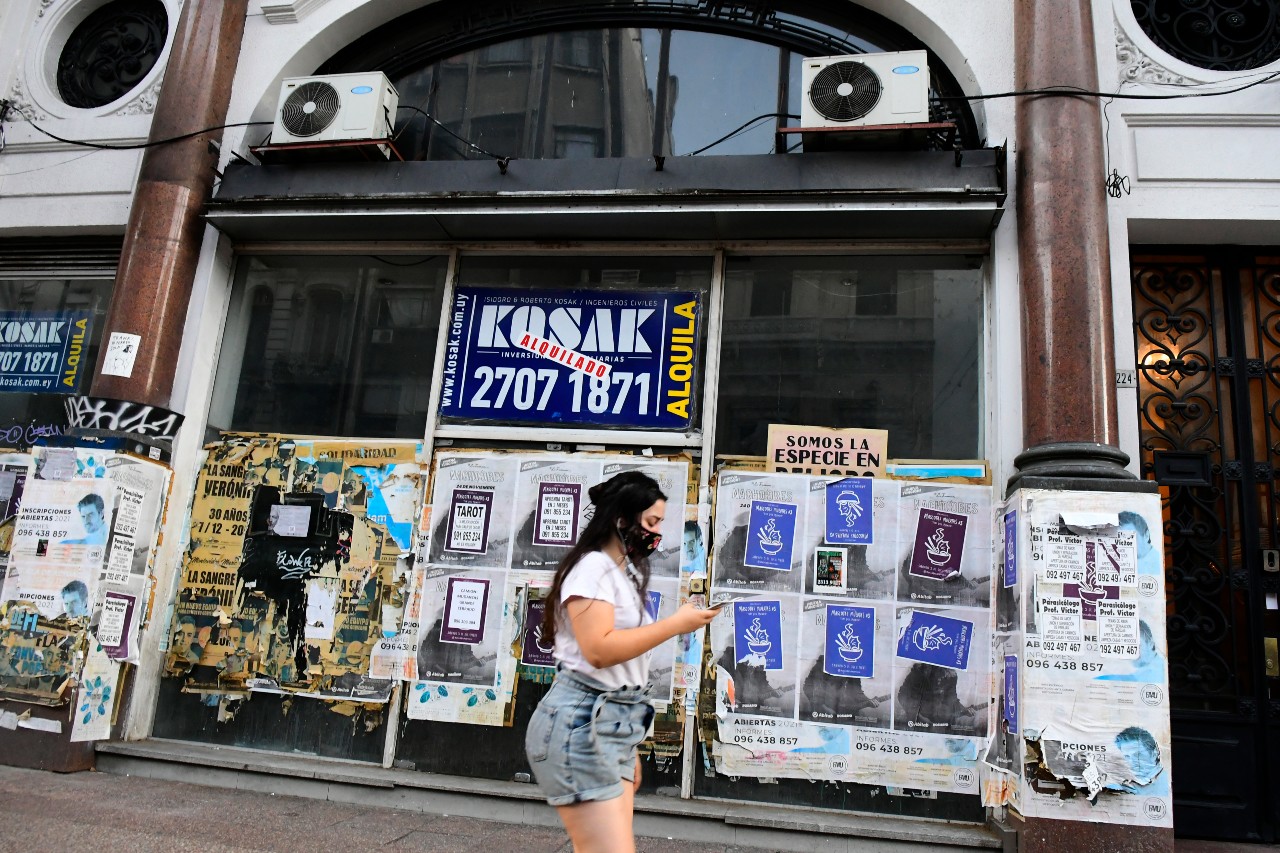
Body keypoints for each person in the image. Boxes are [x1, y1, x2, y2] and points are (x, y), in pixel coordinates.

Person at [524, 471, 719, 853]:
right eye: (652, 522)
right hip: (582, 721)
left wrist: (626, 739)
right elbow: (598, 650)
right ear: (621, 520)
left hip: (612, 721)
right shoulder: (592, 568)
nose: (657, 533)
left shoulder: (621, 571)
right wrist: (675, 625)